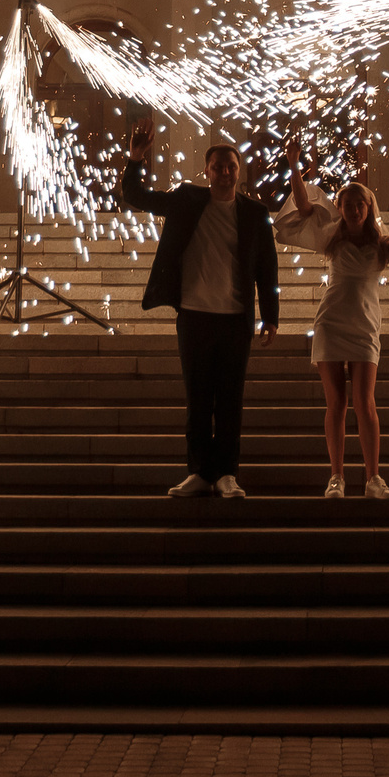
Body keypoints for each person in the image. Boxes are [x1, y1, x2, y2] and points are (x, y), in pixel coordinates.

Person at [273, 138, 389, 499]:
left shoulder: (385, 244)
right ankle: (337, 477)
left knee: (365, 403)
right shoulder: (330, 235)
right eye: (348, 204)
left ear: (369, 208)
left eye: (361, 204)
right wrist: (294, 164)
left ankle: (373, 478)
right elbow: (306, 204)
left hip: (365, 325)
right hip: (331, 322)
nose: (355, 209)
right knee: (336, 404)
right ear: (340, 207)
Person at [118, 122, 279, 499]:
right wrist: (136, 158)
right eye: (217, 167)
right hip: (193, 315)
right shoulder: (187, 200)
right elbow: (136, 195)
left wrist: (270, 315)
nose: (224, 173)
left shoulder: (255, 213)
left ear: (239, 172)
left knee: (229, 400)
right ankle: (199, 473)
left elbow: (266, 267)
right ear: (207, 171)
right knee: (198, 399)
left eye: (230, 167)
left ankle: (226, 474)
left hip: (235, 319)